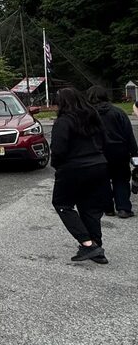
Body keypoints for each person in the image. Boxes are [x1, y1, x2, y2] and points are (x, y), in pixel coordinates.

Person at [51, 87, 110, 263]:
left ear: (62, 103)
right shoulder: (93, 117)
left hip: (74, 167)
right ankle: (97, 247)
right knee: (90, 207)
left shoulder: (63, 122)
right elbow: (105, 141)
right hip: (99, 165)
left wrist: (57, 165)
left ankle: (87, 243)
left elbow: (58, 149)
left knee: (62, 204)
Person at [87, 86, 137, 218]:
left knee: (102, 180)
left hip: (97, 152)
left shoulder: (88, 115)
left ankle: (108, 208)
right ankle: (124, 208)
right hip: (119, 151)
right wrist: (135, 154)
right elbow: (129, 135)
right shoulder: (118, 112)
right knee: (121, 179)